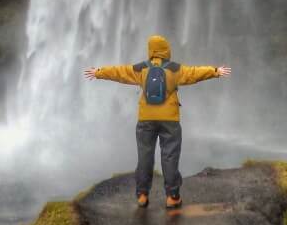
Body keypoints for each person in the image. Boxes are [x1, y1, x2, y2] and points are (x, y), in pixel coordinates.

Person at [84, 34, 231, 209]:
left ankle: (142, 195)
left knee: (144, 157)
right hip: (170, 120)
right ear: (166, 50)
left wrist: (99, 72)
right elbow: (194, 73)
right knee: (169, 156)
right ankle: (172, 197)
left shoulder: (141, 69)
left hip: (145, 119)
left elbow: (119, 72)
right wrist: (215, 72)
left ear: (151, 50)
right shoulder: (175, 69)